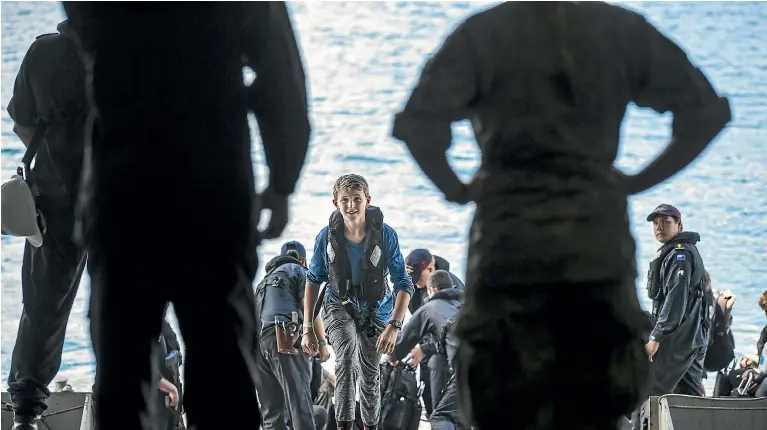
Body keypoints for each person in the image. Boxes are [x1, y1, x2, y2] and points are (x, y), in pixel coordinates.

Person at [390, 2, 731, 428]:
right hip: (595, 241)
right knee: (598, 394)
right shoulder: (619, 29)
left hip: (507, 241)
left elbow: (418, 123)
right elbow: (705, 113)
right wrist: (633, 182)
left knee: (500, 392)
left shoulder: (485, 32)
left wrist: (457, 189)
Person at [61, 2, 311, 429]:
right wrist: (281, 181)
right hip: (213, 191)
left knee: (121, 376)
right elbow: (280, 78)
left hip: (123, 190)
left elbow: (83, 29)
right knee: (223, 370)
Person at [4, 20, 89, 430]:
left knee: (43, 307)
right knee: (129, 302)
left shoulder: (43, 53)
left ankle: (25, 411)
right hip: (120, 196)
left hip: (54, 198)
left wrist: (56, 158)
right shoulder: (133, 54)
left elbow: (22, 122)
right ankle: (131, 391)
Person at [301, 174, 414, 430]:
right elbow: (313, 280)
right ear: (335, 203)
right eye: (345, 200)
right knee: (347, 359)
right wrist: (308, 328)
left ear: (367, 201)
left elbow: (404, 284)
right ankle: (344, 425)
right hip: (337, 305)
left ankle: (370, 426)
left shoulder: (386, 235)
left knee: (370, 376)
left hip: (377, 310)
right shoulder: (325, 237)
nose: (351, 206)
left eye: (356, 200)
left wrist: (394, 327)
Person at [253, 242, 327, 430]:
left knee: (272, 413)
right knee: (300, 404)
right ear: (302, 261)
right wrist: (322, 343)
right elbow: (311, 308)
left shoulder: (263, 284)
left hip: (259, 349)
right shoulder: (298, 270)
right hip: (285, 339)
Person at [645, 204, 710, 397]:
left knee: (651, 392)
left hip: (678, 340)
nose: (659, 227)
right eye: (656, 223)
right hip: (694, 337)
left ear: (679, 225)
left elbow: (675, 299)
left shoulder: (679, 256)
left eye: (666, 222)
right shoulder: (684, 251)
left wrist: (656, 336)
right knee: (689, 397)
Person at [390, 270, 468, 430]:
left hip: (467, 370)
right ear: (452, 286)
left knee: (441, 417)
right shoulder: (467, 306)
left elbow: (400, 346)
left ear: (431, 290)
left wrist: (391, 358)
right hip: (495, 363)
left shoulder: (429, 308)